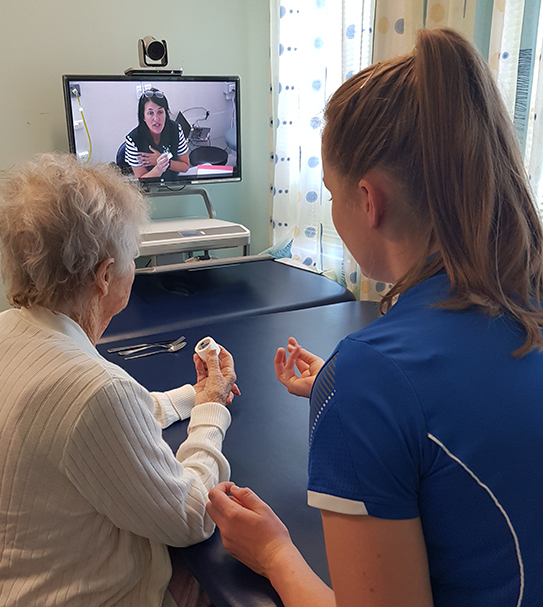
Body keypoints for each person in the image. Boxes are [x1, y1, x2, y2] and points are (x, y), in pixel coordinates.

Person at [207, 27, 543, 607]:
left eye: (332, 193)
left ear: (369, 200)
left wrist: (273, 553)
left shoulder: (369, 376)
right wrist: (353, 394)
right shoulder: (523, 295)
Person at [0, 153, 238, 607]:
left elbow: (97, 424)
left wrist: (194, 396)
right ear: (103, 276)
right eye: (133, 259)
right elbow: (192, 516)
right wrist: (212, 415)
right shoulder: (94, 392)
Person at [125, 88, 190, 181]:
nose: (156, 118)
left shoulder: (176, 129)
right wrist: (159, 168)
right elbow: (141, 180)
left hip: (173, 183)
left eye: (160, 112)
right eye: (150, 113)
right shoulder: (133, 140)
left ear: (166, 114)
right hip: (150, 188)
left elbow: (185, 166)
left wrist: (163, 161)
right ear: (143, 116)